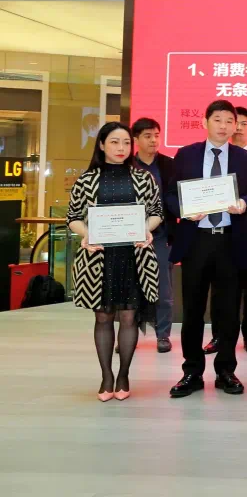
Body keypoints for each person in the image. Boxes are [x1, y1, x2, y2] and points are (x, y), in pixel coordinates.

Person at [165, 100, 247, 398]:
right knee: (192, 309)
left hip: (229, 240)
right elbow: (169, 194)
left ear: (236, 126)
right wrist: (183, 209)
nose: (223, 126)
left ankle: (226, 370)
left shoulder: (245, 159)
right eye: (217, 119)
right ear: (205, 122)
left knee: (228, 310)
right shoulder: (186, 154)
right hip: (196, 240)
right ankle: (192, 371)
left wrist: (244, 203)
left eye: (229, 121)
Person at [67, 122, 162, 401]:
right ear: (101, 145)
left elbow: (157, 212)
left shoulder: (143, 178)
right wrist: (86, 235)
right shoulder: (87, 180)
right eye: (114, 142)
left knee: (129, 316)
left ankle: (123, 375)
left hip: (134, 257)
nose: (121, 148)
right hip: (100, 257)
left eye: (126, 143)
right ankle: (106, 376)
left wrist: (146, 229)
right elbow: (73, 217)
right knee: (103, 316)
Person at [205, 106, 247, 356]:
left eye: (244, 123)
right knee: (219, 288)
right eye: (237, 123)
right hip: (222, 233)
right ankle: (218, 335)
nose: (238, 128)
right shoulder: (217, 156)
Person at [132, 117, 176, 353]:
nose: (153, 140)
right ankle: (129, 334)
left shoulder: (169, 165)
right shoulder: (126, 165)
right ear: (136, 139)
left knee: (163, 289)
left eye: (157, 135)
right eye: (147, 136)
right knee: (130, 287)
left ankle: (163, 335)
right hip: (129, 235)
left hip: (161, 234)